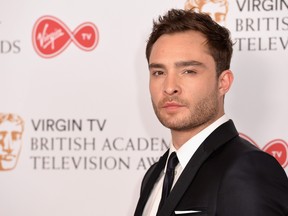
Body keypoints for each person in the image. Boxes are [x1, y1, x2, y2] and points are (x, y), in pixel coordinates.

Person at [134, 8, 288, 216]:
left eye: (188, 71)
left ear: (223, 82)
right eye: (159, 72)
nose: (169, 87)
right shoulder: (155, 175)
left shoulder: (248, 169)